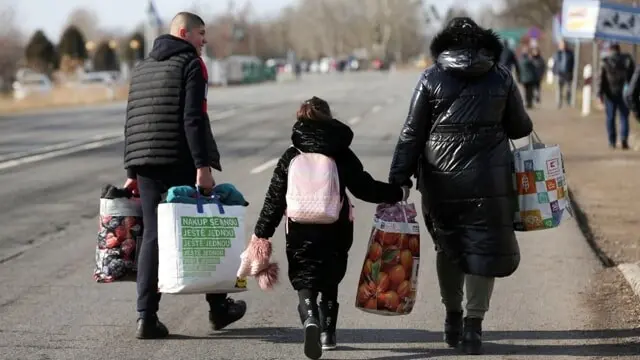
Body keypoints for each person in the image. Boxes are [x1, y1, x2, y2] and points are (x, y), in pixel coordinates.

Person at [387, 17, 533, 355]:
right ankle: (473, 327)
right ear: (483, 43)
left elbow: (412, 133)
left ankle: (452, 318)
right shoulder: (500, 76)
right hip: (490, 179)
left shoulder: (431, 77)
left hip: (441, 181)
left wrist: (398, 179)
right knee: (483, 248)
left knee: (448, 246)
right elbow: (519, 127)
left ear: (446, 44)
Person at [250, 96, 408, 359]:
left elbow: (274, 199)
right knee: (330, 275)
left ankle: (310, 317)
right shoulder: (340, 154)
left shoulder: (291, 155)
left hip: (299, 226)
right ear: (328, 118)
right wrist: (398, 193)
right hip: (335, 225)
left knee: (304, 275)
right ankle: (328, 334)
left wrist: (262, 234)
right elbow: (364, 187)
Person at [122, 12, 246, 339]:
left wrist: (132, 170)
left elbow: (133, 117)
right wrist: (202, 167)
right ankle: (219, 309)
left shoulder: (143, 66)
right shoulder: (192, 64)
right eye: (200, 33)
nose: (204, 40)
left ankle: (146, 317)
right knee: (205, 224)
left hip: (145, 162)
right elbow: (193, 118)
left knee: (151, 235)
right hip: (178, 158)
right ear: (183, 33)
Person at [597, 42, 635, 149]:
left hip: (610, 94)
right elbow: (633, 78)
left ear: (610, 50)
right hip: (624, 93)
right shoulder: (627, 60)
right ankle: (623, 139)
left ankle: (612, 141)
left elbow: (601, 80)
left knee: (610, 118)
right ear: (619, 49)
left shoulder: (605, 62)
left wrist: (599, 94)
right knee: (624, 117)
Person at [552, 39, 575, 108]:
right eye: (561, 45)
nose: (563, 46)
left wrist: (572, 72)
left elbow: (573, 64)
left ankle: (568, 100)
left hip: (568, 73)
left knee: (568, 89)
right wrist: (554, 72)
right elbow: (554, 64)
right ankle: (559, 103)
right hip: (559, 73)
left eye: (564, 45)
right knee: (559, 90)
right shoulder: (556, 53)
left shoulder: (570, 53)